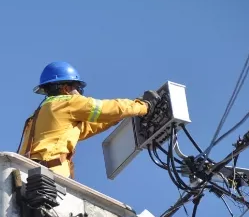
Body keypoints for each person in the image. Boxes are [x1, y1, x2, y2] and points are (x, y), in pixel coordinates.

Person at [18, 61, 160, 179]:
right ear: (66, 88)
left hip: (27, 175)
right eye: (77, 88)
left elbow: (85, 128)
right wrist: (144, 106)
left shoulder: (43, 113)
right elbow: (109, 108)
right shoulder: (68, 102)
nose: (79, 93)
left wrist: (114, 118)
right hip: (50, 175)